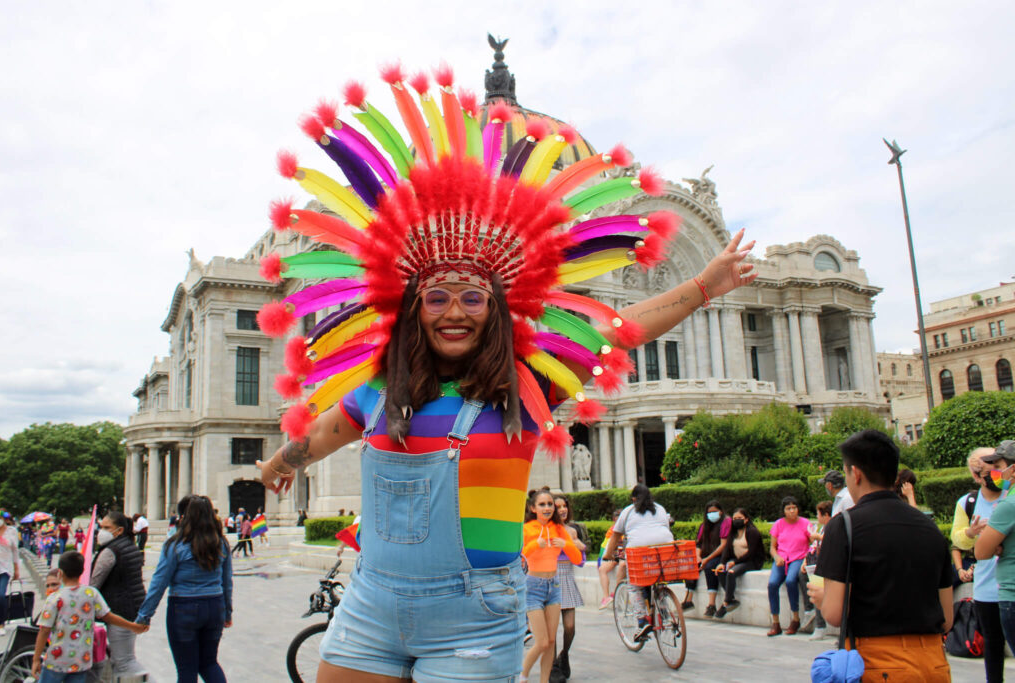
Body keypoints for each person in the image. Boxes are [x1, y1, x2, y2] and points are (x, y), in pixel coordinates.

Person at [252, 63, 757, 682]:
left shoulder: (529, 385)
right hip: (371, 607)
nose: (454, 312)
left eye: (472, 297)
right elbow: (326, 432)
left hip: (475, 614)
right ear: (412, 308)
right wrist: (279, 463)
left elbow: (623, 328)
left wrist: (705, 285)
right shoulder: (382, 389)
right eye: (436, 298)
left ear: (499, 307)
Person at [811, 430, 953, 681]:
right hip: (934, 663)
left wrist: (823, 598)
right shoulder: (928, 526)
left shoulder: (844, 525)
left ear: (856, 473)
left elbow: (834, 614)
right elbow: (946, 618)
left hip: (880, 664)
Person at [136, 495, 233, 683]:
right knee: (209, 663)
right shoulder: (221, 543)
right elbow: (227, 581)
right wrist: (227, 611)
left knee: (186, 668)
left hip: (183, 607)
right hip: (215, 605)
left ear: (185, 517)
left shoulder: (176, 544)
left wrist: (145, 615)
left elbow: (159, 582)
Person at [31, 550, 147, 683]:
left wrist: (35, 659)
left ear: (60, 573)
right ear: (82, 571)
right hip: (81, 661)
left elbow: (44, 630)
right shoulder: (91, 593)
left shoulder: (54, 598)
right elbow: (108, 616)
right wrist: (133, 626)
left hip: (56, 661)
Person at [953, 446, 1006, 683]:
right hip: (986, 588)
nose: (997, 474)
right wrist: (971, 532)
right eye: (990, 470)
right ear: (976, 476)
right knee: (993, 647)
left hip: (1010, 584)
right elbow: (957, 539)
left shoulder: (1011, 494)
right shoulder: (968, 503)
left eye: (998, 468)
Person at [521, 489, 582, 683]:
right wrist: (534, 546)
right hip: (533, 587)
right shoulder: (526, 529)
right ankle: (522, 676)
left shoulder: (558, 529)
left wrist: (566, 543)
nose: (547, 508)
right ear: (533, 508)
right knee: (541, 641)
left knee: (550, 641)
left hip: (554, 587)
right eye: (542, 504)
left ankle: (544, 681)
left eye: (549, 504)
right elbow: (518, 555)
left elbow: (577, 558)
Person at [602, 484, 674, 642]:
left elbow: (615, 536)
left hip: (639, 550)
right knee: (659, 578)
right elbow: (666, 527)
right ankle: (664, 611)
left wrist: (608, 554)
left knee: (633, 585)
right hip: (664, 548)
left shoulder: (628, 511)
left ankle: (642, 621)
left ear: (633, 498)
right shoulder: (660, 509)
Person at [89, 511, 149, 678]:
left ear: (119, 530)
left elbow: (94, 583)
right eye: (102, 527)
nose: (102, 531)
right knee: (121, 658)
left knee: (124, 661)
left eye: (107, 527)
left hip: (118, 610)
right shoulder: (130, 546)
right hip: (132, 608)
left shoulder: (111, 551)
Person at [550, 492, 587, 681]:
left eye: (565, 506)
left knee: (570, 627)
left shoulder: (572, 530)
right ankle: (553, 667)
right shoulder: (545, 530)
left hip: (567, 578)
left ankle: (563, 655)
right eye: (558, 507)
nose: (563, 510)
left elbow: (580, 561)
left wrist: (577, 545)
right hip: (549, 578)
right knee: (552, 628)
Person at [766, 495, 809, 636]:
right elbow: (772, 547)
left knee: (791, 580)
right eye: (788, 508)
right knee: (772, 584)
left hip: (798, 557)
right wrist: (777, 557)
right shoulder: (778, 524)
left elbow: (811, 542)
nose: (792, 511)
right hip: (782, 558)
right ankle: (776, 622)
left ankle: (795, 618)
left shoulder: (805, 523)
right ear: (783, 510)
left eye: (794, 508)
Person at [714, 507, 764, 619]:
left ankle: (725, 603)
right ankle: (730, 598)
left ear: (746, 519)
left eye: (740, 518)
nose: (737, 520)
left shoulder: (752, 532)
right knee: (721, 572)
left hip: (752, 562)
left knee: (731, 572)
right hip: (738, 561)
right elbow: (727, 549)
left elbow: (751, 553)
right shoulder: (733, 532)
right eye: (735, 518)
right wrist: (722, 562)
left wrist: (735, 562)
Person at [683, 499, 730, 616]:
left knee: (710, 567)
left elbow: (723, 545)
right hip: (706, 555)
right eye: (709, 512)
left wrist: (707, 559)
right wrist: (698, 556)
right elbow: (699, 544)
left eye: (715, 511)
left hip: (721, 555)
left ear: (721, 511)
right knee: (691, 566)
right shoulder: (705, 526)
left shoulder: (726, 522)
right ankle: (688, 599)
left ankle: (711, 604)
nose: (712, 515)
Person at [798, 500, 832, 639]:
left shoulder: (832, 528)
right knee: (802, 577)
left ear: (825, 515)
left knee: (817, 590)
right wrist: (806, 560)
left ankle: (820, 626)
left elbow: (831, 542)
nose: (817, 517)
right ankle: (809, 609)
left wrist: (818, 537)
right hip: (814, 564)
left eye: (818, 514)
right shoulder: (822, 528)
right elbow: (813, 547)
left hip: (825, 566)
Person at [0, 510, 19, 636]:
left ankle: (1, 623)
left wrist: (16, 569)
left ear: (5, 520)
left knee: (1, 595)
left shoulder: (11, 531)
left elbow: (15, 551)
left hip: (4, 568)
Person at [597, 509, 626, 610]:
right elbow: (606, 546)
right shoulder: (612, 530)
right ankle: (606, 597)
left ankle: (616, 592)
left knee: (622, 565)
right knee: (602, 569)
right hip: (618, 554)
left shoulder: (628, 528)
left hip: (627, 554)